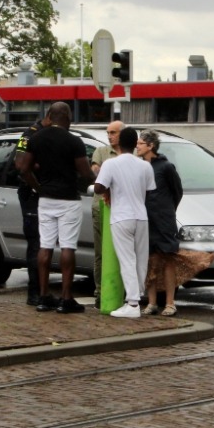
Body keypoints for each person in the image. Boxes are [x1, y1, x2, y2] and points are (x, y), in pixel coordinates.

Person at [20, 102, 95, 313]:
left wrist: (39, 188)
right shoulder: (74, 141)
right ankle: (66, 298)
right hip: (68, 199)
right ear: (68, 118)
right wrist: (100, 179)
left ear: (50, 117)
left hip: (46, 199)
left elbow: (24, 170)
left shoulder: (36, 139)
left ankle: (43, 298)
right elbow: (85, 174)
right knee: (67, 246)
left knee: (45, 246)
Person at [93, 128, 156, 318]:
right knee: (140, 259)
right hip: (141, 216)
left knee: (127, 260)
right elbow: (148, 192)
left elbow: (98, 188)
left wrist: (106, 188)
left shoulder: (111, 164)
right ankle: (138, 298)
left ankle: (133, 304)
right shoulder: (145, 166)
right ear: (135, 144)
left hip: (121, 216)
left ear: (119, 143)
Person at [136, 130, 183, 317]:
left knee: (167, 260)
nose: (137, 146)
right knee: (149, 262)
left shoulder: (166, 167)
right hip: (145, 221)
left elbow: (177, 192)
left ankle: (170, 303)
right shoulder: (139, 167)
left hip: (163, 221)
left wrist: (166, 211)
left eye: (140, 143)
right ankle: (152, 302)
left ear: (150, 146)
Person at [14, 115, 55, 305]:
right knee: (36, 244)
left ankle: (42, 290)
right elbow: (20, 164)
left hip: (43, 194)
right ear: (48, 118)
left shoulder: (47, 135)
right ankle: (34, 292)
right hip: (31, 194)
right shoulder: (29, 135)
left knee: (44, 243)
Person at [90, 120, 123, 309]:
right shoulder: (101, 152)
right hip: (102, 207)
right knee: (101, 252)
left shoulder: (133, 153)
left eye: (114, 132)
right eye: (108, 132)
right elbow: (97, 173)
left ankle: (123, 291)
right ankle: (100, 292)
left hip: (124, 209)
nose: (110, 136)